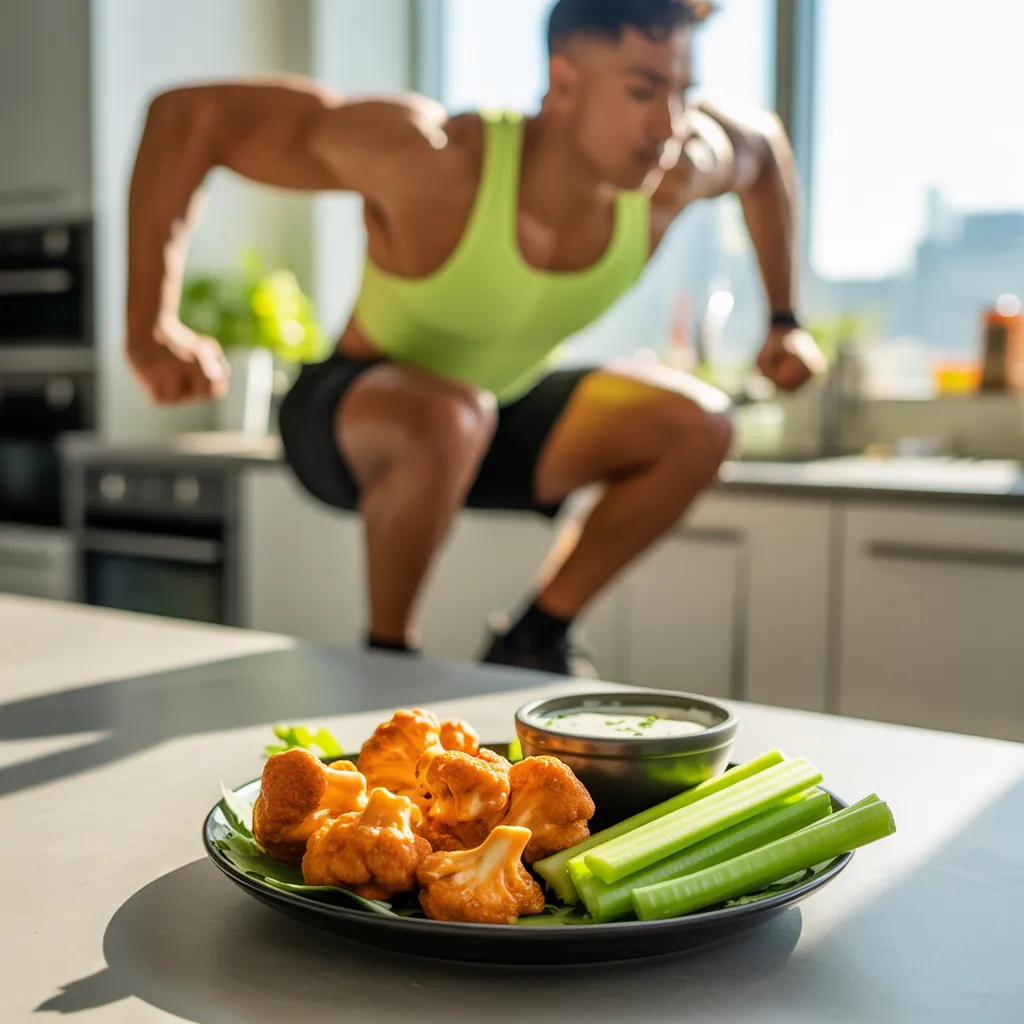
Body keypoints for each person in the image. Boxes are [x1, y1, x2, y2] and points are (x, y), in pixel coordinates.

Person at [125, 0, 825, 675]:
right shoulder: (435, 161)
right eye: (644, 91)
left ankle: (535, 637)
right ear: (564, 81)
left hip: (494, 414)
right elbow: (190, 117)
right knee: (449, 412)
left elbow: (763, 149)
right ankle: (388, 660)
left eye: (682, 91)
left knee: (700, 426)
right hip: (350, 417)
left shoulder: (675, 172)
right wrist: (149, 323)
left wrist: (785, 321)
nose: (668, 124)